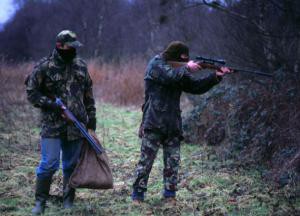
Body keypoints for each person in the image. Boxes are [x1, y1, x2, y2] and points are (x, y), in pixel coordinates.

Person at [132, 41, 231, 203]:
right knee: (146, 162)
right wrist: (187, 68)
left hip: (173, 123)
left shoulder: (179, 71)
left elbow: (195, 87)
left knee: (173, 162)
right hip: (154, 120)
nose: (185, 62)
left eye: (186, 60)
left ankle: (170, 195)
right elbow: (170, 76)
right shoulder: (156, 64)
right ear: (173, 56)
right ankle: (138, 194)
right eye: (182, 59)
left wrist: (215, 77)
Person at [25, 30, 96, 214]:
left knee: (71, 165)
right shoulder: (44, 66)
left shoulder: (81, 65)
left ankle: (68, 202)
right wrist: (53, 106)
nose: (74, 50)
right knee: (49, 163)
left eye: (75, 47)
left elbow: (88, 94)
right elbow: (32, 93)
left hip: (76, 124)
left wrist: (92, 119)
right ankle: (40, 203)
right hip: (52, 124)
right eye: (70, 47)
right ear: (59, 46)